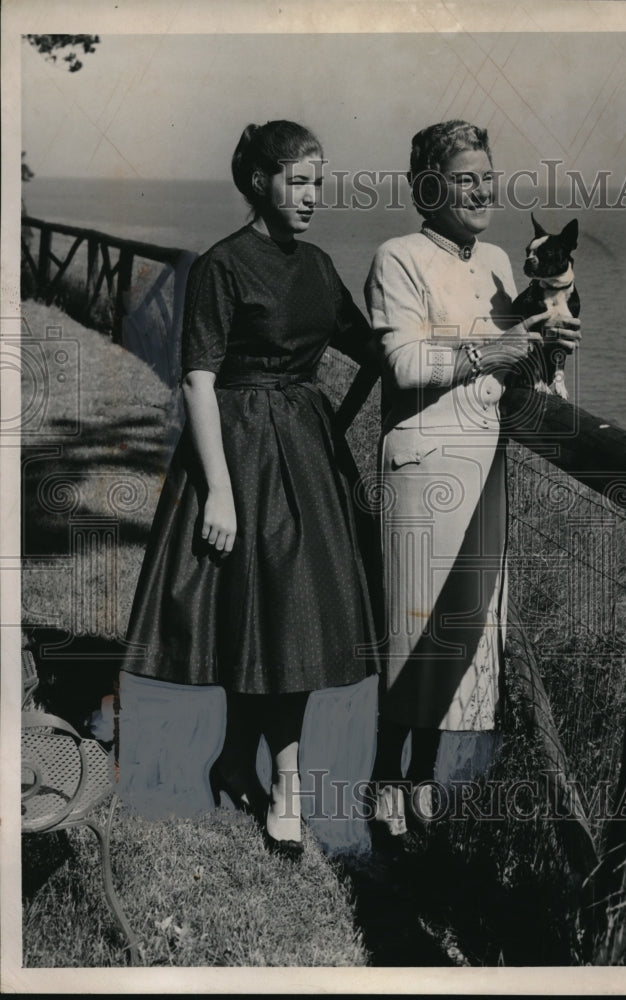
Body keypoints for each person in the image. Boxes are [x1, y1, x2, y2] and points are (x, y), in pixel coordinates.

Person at [123, 120, 380, 858]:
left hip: (305, 455)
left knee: (285, 619)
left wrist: (495, 333)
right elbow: (199, 381)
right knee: (259, 617)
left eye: (318, 183)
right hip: (238, 454)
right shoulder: (222, 267)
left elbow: (369, 348)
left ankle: (253, 765)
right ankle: (283, 785)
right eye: (298, 182)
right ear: (259, 183)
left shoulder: (320, 266)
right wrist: (221, 492)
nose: (311, 197)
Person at [364, 120, 581, 839]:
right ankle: (383, 778)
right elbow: (406, 365)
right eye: (464, 178)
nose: (483, 189)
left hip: (484, 466)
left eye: (488, 176)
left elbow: (508, 353)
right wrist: (501, 346)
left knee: (458, 637)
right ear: (429, 187)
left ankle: (422, 776)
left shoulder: (493, 259)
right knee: (411, 634)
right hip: (423, 470)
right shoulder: (397, 258)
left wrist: (549, 343)